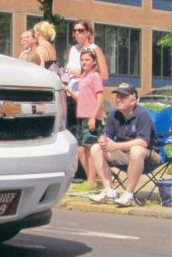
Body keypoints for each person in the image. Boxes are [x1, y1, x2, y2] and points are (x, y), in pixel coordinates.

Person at [89, 83, 161, 207]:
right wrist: (103, 139)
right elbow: (107, 135)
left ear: (133, 101)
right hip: (124, 155)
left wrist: (116, 146)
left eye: (123, 96)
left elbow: (143, 142)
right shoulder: (113, 114)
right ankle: (109, 191)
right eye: (117, 96)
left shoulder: (142, 114)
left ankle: (129, 195)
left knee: (136, 150)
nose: (118, 99)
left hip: (149, 157)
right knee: (96, 148)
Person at [63, 49, 104, 189]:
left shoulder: (95, 76)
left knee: (90, 149)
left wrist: (93, 117)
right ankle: (90, 178)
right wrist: (69, 90)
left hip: (90, 117)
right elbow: (81, 98)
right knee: (81, 150)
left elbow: (100, 97)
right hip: (81, 116)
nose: (84, 62)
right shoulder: (84, 77)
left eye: (87, 60)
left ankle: (92, 182)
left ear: (94, 61)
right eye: (82, 60)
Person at [64, 19, 109, 85]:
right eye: (75, 30)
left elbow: (104, 76)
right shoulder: (73, 49)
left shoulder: (95, 49)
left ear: (88, 32)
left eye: (80, 30)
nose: (77, 33)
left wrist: (80, 76)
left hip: (86, 90)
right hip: (70, 89)